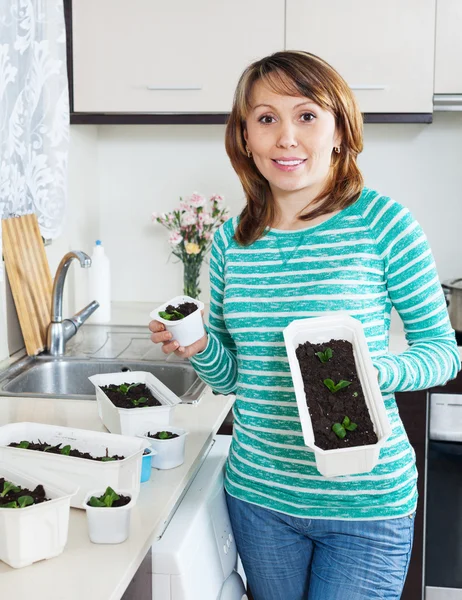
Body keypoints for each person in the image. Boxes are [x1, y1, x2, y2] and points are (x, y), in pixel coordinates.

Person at [149, 51, 460, 599]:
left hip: (366, 504)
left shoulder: (383, 224)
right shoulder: (231, 241)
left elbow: (443, 351)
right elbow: (232, 378)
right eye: (266, 118)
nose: (286, 137)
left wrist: (368, 370)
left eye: (308, 115)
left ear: (340, 130)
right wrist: (197, 343)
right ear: (245, 137)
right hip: (260, 497)